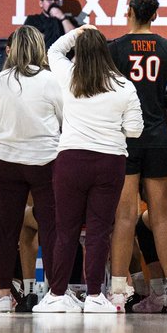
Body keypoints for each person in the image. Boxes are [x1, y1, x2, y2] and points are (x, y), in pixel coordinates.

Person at [34, 27, 143, 313]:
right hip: (110, 163)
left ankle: (57, 295)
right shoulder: (124, 85)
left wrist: (78, 32)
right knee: (98, 231)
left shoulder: (69, 76)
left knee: (65, 230)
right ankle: (95, 295)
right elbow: (135, 130)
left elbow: (53, 51)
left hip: (71, 161)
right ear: (106, 52)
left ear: (79, 53)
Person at [107, 0, 167, 313]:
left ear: (129, 11)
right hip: (157, 137)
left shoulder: (114, 48)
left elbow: (106, 94)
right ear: (155, 15)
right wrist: (157, 101)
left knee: (124, 218)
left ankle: (117, 295)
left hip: (125, 139)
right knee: (162, 218)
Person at [0, 26, 63, 313]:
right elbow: (63, 118)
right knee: (50, 228)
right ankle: (56, 294)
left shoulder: (1, 79)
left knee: (7, 230)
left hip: (7, 161)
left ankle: (3, 294)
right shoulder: (50, 80)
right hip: (44, 161)